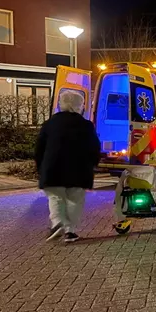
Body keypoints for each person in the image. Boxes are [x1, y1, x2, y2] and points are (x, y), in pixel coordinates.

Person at [36, 90, 101, 243]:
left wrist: (41, 167)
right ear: (79, 106)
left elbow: (39, 147)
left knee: (55, 197)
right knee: (75, 200)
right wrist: (93, 165)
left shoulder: (50, 123)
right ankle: (70, 231)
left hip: (52, 168)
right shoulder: (86, 125)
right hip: (78, 170)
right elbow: (94, 147)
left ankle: (58, 221)